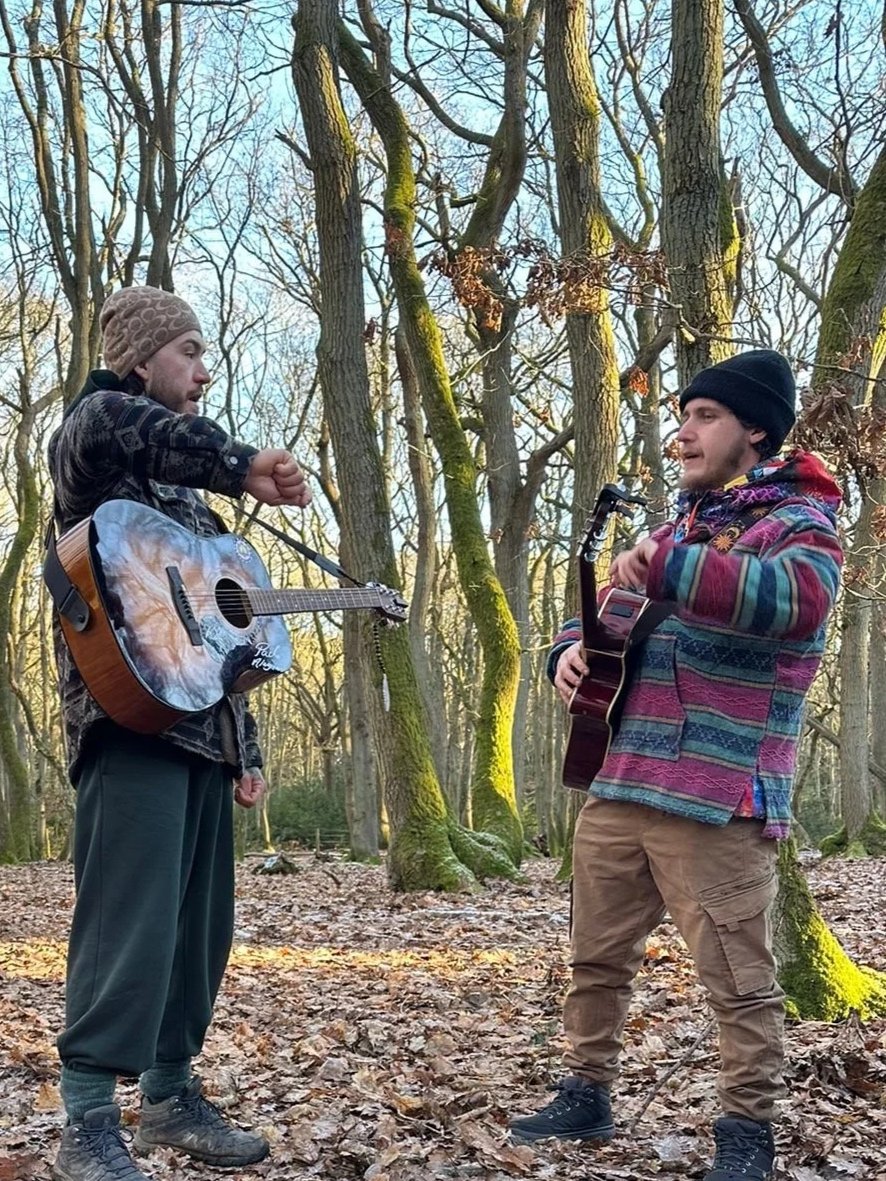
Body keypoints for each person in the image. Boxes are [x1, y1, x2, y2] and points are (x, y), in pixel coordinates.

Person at [509, 351, 843, 1181]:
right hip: (623, 779)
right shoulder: (680, 528)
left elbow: (793, 602)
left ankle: (745, 1135)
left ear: (754, 429)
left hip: (718, 795)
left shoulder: (802, 523)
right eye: (682, 415)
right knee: (595, 957)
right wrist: (565, 654)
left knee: (740, 980)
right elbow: (605, 615)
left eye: (703, 416)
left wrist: (669, 565)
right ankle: (586, 1091)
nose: (681, 433)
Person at [47, 285, 312, 1181]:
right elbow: (125, 426)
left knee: (199, 931)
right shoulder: (95, 439)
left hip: (205, 738)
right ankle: (86, 1119)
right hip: (126, 727)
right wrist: (240, 465)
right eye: (188, 352)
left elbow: (223, 637)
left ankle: (170, 1098)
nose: (204, 372)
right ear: (139, 356)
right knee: (130, 922)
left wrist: (250, 749)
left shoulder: (194, 509)